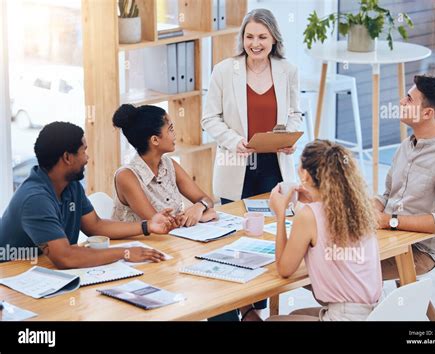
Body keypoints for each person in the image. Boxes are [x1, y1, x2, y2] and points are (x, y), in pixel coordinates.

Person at [201, 8, 302, 321]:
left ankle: (254, 309)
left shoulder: (287, 70)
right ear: (241, 38)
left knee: (270, 236)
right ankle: (230, 306)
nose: (255, 43)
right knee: (235, 238)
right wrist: (234, 141)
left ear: (273, 39)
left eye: (262, 36)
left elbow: (297, 113)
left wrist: (289, 135)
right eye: (249, 36)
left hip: (274, 165)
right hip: (238, 165)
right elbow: (209, 118)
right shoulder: (223, 70)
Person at [0, 122, 178, 269]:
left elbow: (96, 226)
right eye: (83, 151)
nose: (87, 158)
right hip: (12, 277)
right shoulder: (35, 199)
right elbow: (65, 258)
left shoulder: (70, 185)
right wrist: (125, 253)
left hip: (44, 271)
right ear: (67, 158)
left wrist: (148, 226)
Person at [266, 140, 382, 321]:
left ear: (305, 175)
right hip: (374, 313)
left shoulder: (308, 216)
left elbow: (284, 269)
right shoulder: (359, 207)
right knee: (294, 315)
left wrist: (280, 213)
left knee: (272, 321)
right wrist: (308, 205)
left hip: (343, 317)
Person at [373, 75, 435, 280]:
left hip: (419, 251)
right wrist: (370, 208)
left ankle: (351, 311)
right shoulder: (406, 145)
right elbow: (388, 195)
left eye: (409, 99)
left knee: (345, 270)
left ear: (427, 113)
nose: (401, 102)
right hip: (389, 237)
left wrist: (391, 221)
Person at [111, 104, 217, 226]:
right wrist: (195, 216)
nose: (175, 134)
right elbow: (159, 224)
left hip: (172, 240)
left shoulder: (169, 164)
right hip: (138, 243)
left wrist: (198, 207)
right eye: (170, 129)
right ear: (155, 140)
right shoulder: (126, 176)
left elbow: (206, 200)